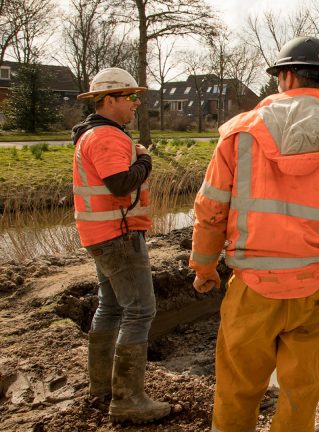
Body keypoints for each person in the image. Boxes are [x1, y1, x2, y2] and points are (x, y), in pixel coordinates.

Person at [189, 36, 319, 432]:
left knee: (236, 390)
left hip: (251, 289)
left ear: (287, 75)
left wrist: (205, 266)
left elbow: (210, 211)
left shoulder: (238, 135)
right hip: (315, 289)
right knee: (300, 397)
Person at [72, 67, 170, 424]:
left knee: (110, 308)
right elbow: (119, 184)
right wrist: (145, 160)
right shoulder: (108, 137)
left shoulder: (90, 134)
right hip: (119, 235)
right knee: (140, 310)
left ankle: (101, 387)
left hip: (100, 234)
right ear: (109, 100)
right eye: (129, 98)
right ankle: (128, 398)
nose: (135, 105)